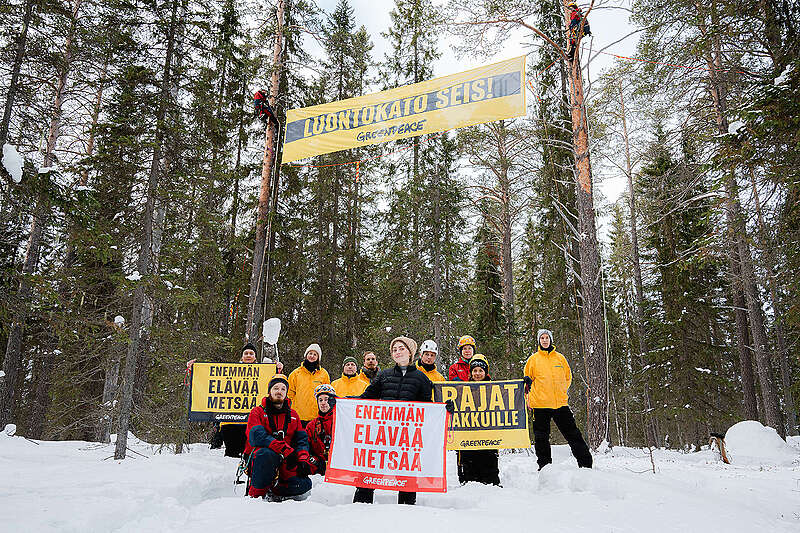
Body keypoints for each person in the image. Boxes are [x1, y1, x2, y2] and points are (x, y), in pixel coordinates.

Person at [354, 336, 434, 505]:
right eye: (394, 349)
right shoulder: (384, 375)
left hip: (407, 436)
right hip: (383, 434)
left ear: (410, 353)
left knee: (406, 475)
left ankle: (407, 509)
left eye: (401, 348)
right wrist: (340, 401)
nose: (397, 352)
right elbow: (365, 398)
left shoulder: (421, 378)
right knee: (369, 472)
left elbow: (428, 408)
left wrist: (445, 408)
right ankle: (360, 506)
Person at [187, 342, 280, 457]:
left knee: (250, 454)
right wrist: (194, 370)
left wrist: (277, 370)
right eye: (246, 353)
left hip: (252, 421)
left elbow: (276, 385)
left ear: (255, 357)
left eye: (251, 353)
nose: (248, 355)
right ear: (242, 356)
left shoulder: (263, 373)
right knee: (231, 454)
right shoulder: (230, 371)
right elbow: (207, 382)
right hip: (230, 421)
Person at [523, 329, 592, 470]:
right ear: (539, 341)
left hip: (560, 404)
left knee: (573, 434)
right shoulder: (533, 360)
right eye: (542, 338)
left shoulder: (560, 358)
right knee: (541, 438)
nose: (544, 340)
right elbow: (526, 384)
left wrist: (560, 391)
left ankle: (586, 465)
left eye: (547, 337)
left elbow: (568, 377)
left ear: (551, 339)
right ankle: (545, 468)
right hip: (540, 405)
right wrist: (529, 398)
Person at [244, 374, 318, 500]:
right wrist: (283, 448)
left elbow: (301, 440)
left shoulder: (293, 415)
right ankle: (255, 496)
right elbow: (257, 436)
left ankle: (275, 489)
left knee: (304, 484)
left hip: (285, 459)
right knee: (266, 454)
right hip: (262, 457)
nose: (279, 391)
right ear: (269, 391)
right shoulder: (257, 412)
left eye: (283, 389)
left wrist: (302, 457)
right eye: (276, 388)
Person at [458, 355, 500, 486]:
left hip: (488, 432)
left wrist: (523, 385)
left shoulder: (495, 388)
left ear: (485, 372)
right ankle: (468, 481)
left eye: (480, 370)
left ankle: (491, 481)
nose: (477, 373)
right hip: (469, 432)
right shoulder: (463, 388)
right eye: (474, 370)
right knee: (469, 459)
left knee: (488, 458)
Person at [287, 343, 331, 426]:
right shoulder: (296, 373)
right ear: (306, 355)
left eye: (315, 354)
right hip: (299, 416)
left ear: (318, 358)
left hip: (317, 416)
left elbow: (327, 394)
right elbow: (290, 393)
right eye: (310, 353)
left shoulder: (323, 374)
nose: (312, 356)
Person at [306, 384, 337, 472]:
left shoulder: (341, 422)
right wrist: (315, 462)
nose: (323, 403)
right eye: (320, 400)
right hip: (318, 468)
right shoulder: (311, 426)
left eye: (326, 399)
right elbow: (306, 448)